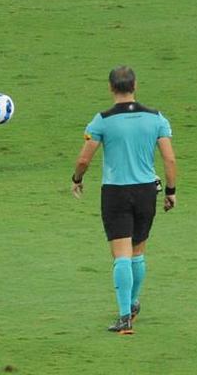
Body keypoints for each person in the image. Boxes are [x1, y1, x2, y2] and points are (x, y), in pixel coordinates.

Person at [70, 66, 176, 336]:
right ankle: (133, 302)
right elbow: (169, 158)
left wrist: (77, 178)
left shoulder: (102, 120)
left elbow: (84, 158)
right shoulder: (156, 118)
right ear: (135, 85)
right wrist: (171, 190)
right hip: (146, 191)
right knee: (138, 251)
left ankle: (124, 316)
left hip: (116, 192)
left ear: (110, 87)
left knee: (121, 255)